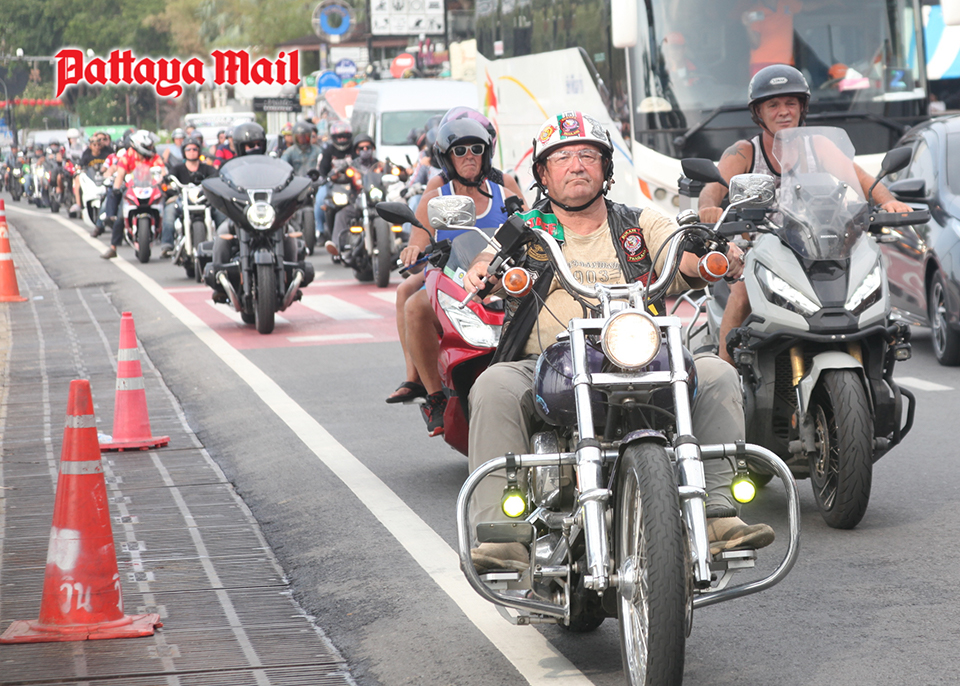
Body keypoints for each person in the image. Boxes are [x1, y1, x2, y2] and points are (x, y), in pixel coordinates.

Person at [461, 110, 772, 572]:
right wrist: (481, 272)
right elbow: (487, 261)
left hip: (642, 357)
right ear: (543, 174)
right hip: (547, 363)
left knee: (717, 373)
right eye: (562, 157)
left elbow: (680, 253)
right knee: (492, 386)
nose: (576, 165)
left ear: (605, 168)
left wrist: (713, 256)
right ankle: (501, 536)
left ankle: (717, 515)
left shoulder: (638, 223)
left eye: (588, 155)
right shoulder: (527, 230)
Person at [698, 64, 913, 365]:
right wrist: (709, 209)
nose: (783, 111)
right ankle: (725, 374)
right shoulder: (746, 151)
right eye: (773, 105)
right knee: (743, 293)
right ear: (758, 113)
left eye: (791, 103)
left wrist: (888, 201)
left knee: (864, 281)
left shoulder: (818, 146)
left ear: (802, 108)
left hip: (816, 245)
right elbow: (712, 189)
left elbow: (861, 180)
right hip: (757, 247)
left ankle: (878, 356)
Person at [387, 108, 526, 407]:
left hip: (501, 279)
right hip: (452, 279)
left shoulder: (505, 191)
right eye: (460, 151)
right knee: (414, 306)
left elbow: (530, 224)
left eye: (476, 149)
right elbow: (420, 238)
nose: (469, 156)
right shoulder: (437, 194)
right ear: (447, 157)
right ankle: (433, 394)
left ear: (486, 152)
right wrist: (413, 250)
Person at [101, 130, 166, 259]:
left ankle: (167, 246)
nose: (151, 148)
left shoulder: (154, 157)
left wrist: (162, 179)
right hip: (132, 190)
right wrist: (116, 188)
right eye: (148, 146)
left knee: (165, 213)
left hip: (151, 189)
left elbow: (162, 171)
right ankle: (113, 247)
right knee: (120, 217)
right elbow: (120, 174)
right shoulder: (127, 156)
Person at [159, 136, 220, 256]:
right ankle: (167, 245)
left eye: (194, 149)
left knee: (221, 212)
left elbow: (216, 176)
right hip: (183, 200)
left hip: (204, 200)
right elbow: (169, 178)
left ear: (199, 151)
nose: (192, 152)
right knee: (169, 211)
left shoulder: (207, 168)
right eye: (188, 149)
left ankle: (224, 241)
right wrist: (167, 180)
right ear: (184, 152)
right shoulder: (177, 169)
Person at [324, 134, 383, 258]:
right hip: (358, 202)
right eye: (362, 148)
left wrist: (402, 172)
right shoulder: (352, 167)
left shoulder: (380, 166)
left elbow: (397, 173)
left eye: (368, 147)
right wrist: (335, 175)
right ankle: (336, 245)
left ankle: (403, 241)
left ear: (373, 148)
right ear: (357, 151)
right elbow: (339, 177)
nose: (365, 150)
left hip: (379, 202)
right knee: (341, 214)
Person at [314, 121, 354, 242]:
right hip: (332, 184)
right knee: (320, 199)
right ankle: (320, 231)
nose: (342, 140)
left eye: (344, 137)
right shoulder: (328, 151)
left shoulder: (354, 149)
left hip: (351, 184)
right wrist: (328, 178)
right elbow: (322, 171)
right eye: (339, 137)